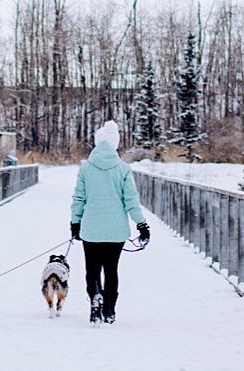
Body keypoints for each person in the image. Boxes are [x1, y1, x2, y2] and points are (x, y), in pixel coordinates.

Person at [70, 120, 150, 325]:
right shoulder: (123, 168)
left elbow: (79, 198)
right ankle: (109, 309)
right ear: (115, 144)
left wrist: (75, 223)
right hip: (116, 230)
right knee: (111, 269)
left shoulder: (86, 168)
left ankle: (95, 296)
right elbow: (131, 200)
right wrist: (141, 225)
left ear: (97, 143)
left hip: (91, 228)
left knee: (93, 269)